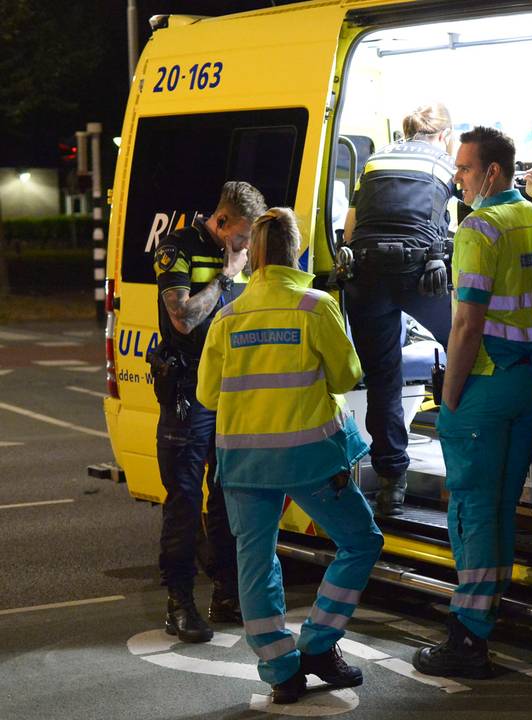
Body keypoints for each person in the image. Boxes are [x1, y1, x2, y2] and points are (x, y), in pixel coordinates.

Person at [197, 208, 382, 705]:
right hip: (310, 459)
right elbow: (346, 377)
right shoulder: (315, 306)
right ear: (296, 250)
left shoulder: (228, 315)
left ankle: (280, 670)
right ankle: (319, 644)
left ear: (252, 255)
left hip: (243, 461)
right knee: (360, 542)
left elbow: (209, 396)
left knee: (254, 561)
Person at [412, 126, 532, 678]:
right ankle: (488, 616)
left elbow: (465, 325)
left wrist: (449, 396)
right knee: (503, 507)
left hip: (485, 382)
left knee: (471, 511)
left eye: (464, 169)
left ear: (491, 172)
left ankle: (466, 638)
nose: (457, 178)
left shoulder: (478, 228)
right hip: (528, 382)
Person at [150, 180, 265, 643]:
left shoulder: (241, 255)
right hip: (187, 392)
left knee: (227, 493)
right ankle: (179, 603)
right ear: (220, 222)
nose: (244, 247)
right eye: (240, 237)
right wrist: (225, 274)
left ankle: (228, 593)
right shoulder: (176, 249)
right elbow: (183, 318)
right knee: (183, 499)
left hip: (229, 390)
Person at [342, 103, 457, 516]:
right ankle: (465, 459)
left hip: (366, 273)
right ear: (444, 135)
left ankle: (392, 482)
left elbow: (352, 227)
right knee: (464, 353)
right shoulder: (445, 163)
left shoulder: (374, 160)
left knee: (383, 378)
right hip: (419, 272)